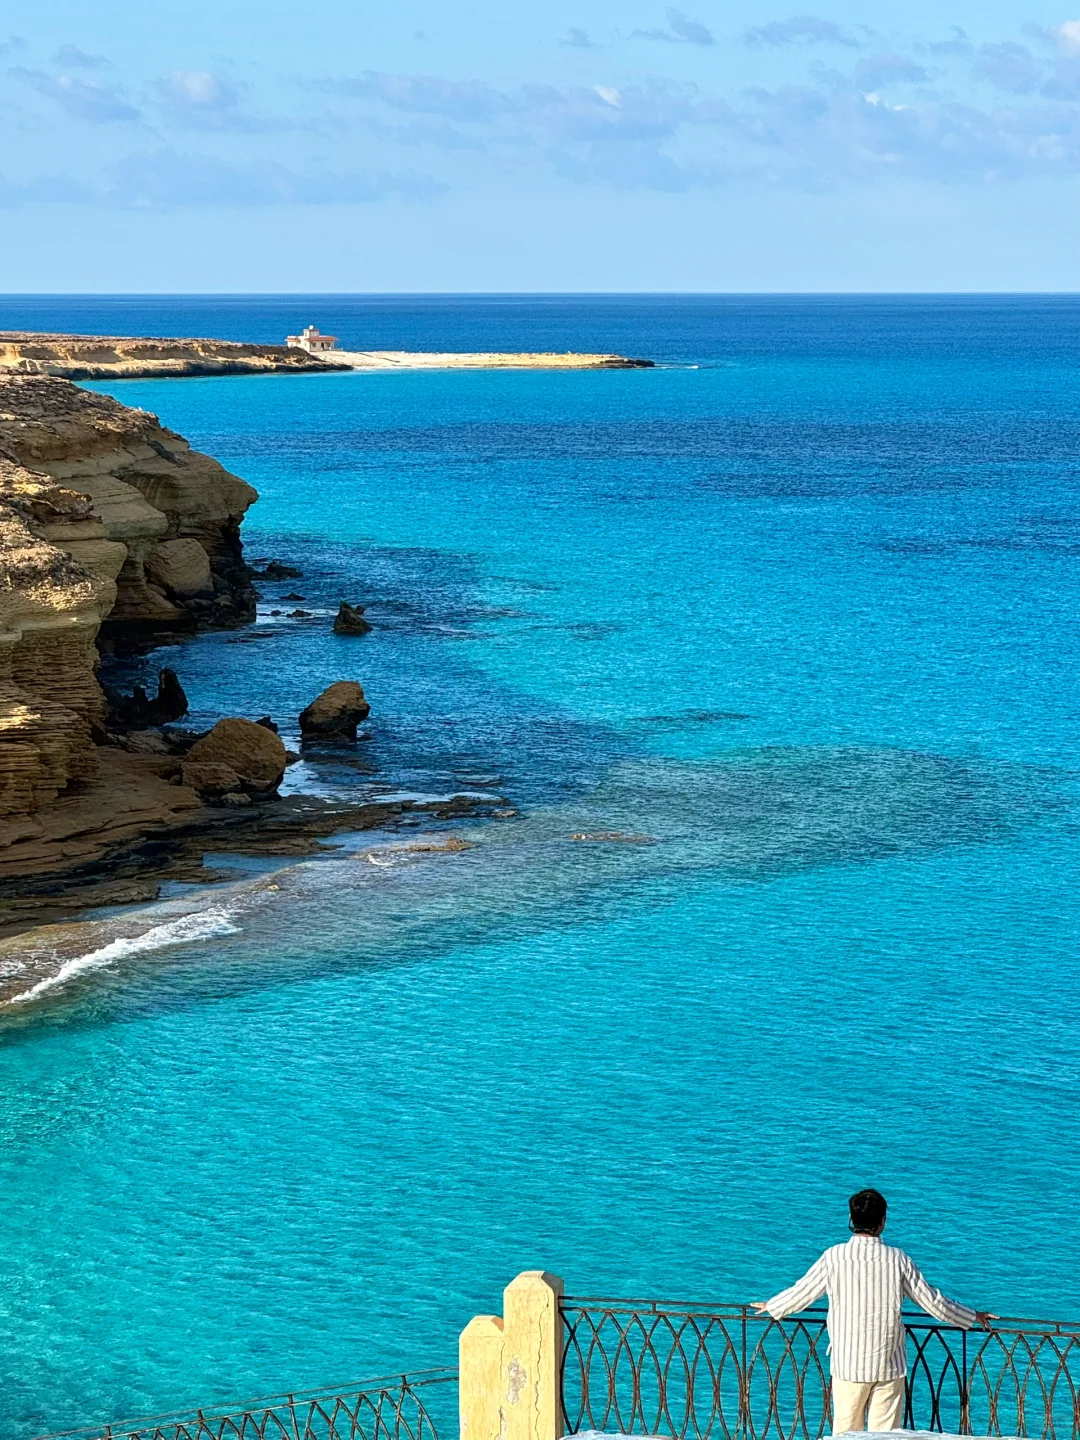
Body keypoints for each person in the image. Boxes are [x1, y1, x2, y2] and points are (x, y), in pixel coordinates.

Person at [753, 1189, 995, 1435]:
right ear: (883, 1222)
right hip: (888, 1363)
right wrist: (972, 1316)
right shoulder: (898, 1259)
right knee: (886, 1436)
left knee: (846, 1434)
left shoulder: (834, 1257)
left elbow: (802, 1292)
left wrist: (773, 1306)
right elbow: (932, 1301)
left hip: (848, 1363)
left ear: (851, 1219)